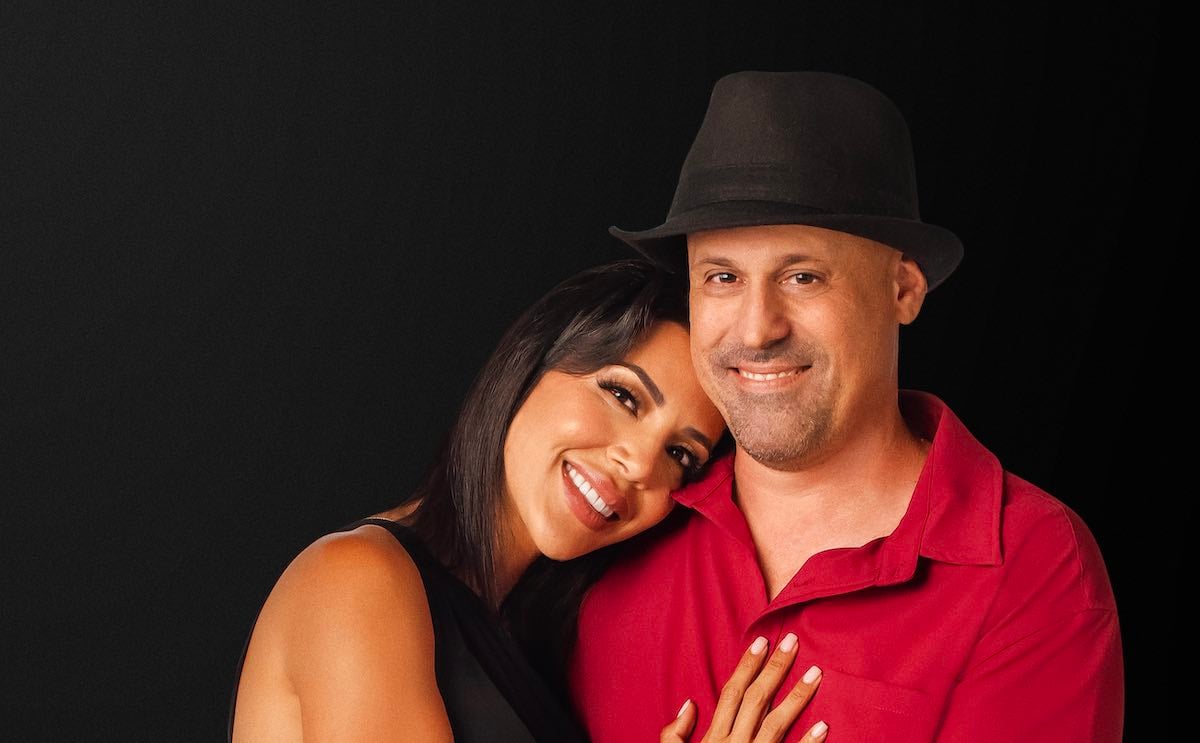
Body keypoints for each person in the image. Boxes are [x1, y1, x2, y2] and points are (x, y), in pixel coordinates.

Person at [570, 71, 1124, 742]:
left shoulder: (1031, 565)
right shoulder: (620, 525)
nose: (756, 329)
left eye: (803, 276)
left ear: (903, 290)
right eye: (723, 276)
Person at [228, 259, 830, 743]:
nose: (641, 465)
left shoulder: (531, 641)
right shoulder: (359, 579)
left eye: (680, 455)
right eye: (623, 396)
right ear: (531, 362)